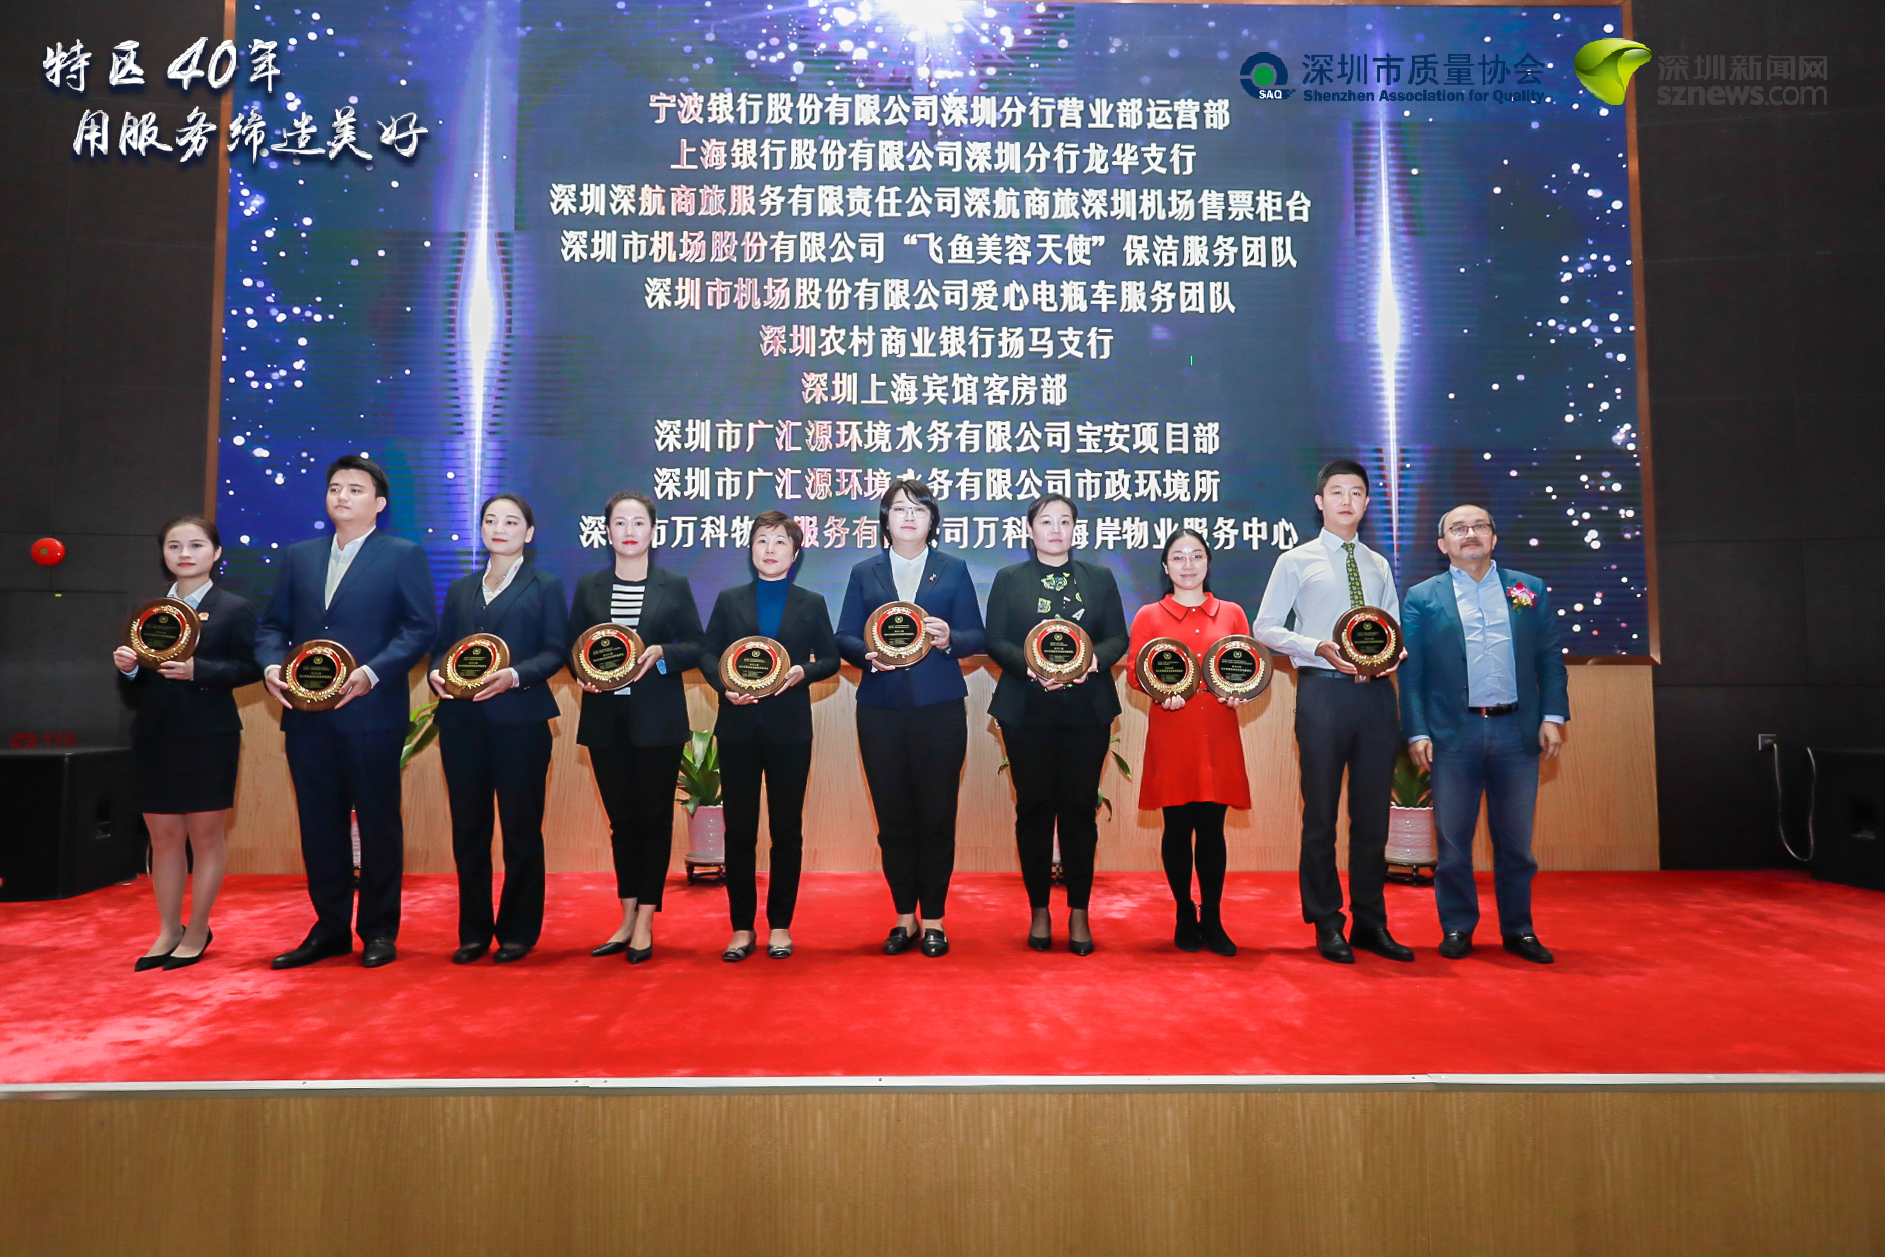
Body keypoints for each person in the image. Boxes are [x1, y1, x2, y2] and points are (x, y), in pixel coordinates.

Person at [256, 455, 437, 969]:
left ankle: (378, 930)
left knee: (378, 823)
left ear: (379, 503)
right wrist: (271, 667)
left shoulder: (402, 555)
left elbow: (420, 628)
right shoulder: (300, 556)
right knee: (319, 824)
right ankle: (330, 928)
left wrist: (371, 673)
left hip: (371, 711)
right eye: (335, 487)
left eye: (355, 489)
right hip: (306, 716)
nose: (342, 496)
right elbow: (272, 626)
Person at [1253, 459, 1412, 964]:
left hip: (1376, 697)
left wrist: (1395, 652)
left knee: (1373, 817)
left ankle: (1370, 921)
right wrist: (1315, 646)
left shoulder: (1378, 564)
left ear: (1366, 503)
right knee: (1320, 814)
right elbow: (1265, 627)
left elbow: (1390, 625)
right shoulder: (1295, 560)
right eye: (1337, 492)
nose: (1347, 500)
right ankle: (1326, 921)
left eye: (1357, 492)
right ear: (1320, 502)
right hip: (1323, 693)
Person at [1399, 504, 1569, 964]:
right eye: (1458, 528)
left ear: (1493, 537)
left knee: (1516, 844)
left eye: (1479, 526)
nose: (1469, 533)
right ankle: (1457, 926)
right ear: (1443, 544)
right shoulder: (1422, 597)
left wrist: (1553, 716)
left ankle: (1519, 929)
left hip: (1517, 732)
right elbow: (1411, 676)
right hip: (1453, 735)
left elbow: (1550, 660)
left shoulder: (1528, 589)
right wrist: (1416, 731)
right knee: (1453, 845)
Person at [835, 479, 987, 959]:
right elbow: (844, 636)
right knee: (893, 816)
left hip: (939, 708)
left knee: (937, 816)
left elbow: (977, 635)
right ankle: (904, 916)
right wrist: (867, 654)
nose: (908, 517)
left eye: (918, 509)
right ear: (885, 520)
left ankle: (935, 919)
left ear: (931, 521)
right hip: (880, 709)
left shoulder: (954, 569)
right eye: (899, 509)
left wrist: (949, 638)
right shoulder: (865, 571)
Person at [113, 516, 261, 970]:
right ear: (163, 554)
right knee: (164, 838)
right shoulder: (149, 611)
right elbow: (136, 688)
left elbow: (252, 668)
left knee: (205, 837)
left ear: (216, 553)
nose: (184, 554)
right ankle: (168, 929)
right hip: (155, 735)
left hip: (208, 735)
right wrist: (129, 669)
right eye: (174, 546)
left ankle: (197, 929)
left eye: (196, 545)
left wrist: (202, 671)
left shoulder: (234, 608)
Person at [984, 494, 1130, 955]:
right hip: (1026, 712)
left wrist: (1089, 663)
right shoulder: (1010, 579)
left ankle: (1079, 911)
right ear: (1030, 530)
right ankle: (1039, 910)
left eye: (1064, 521)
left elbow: (1117, 637)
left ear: (1074, 530)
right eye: (1046, 521)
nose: (1055, 529)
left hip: (1086, 712)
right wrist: (1032, 666)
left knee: (1079, 811)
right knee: (1033, 810)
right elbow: (995, 640)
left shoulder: (1099, 578)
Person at [426, 493, 568, 965]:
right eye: (491, 520)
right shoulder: (461, 589)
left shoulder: (545, 585)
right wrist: (436, 674)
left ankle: (518, 931)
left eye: (511, 521)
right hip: (461, 724)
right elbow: (443, 648)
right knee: (469, 830)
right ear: (482, 529)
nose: (499, 528)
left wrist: (515, 675)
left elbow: (555, 651)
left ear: (529, 533)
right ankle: (473, 932)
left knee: (521, 829)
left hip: (520, 723)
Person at [568, 491, 703, 965]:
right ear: (607, 532)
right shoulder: (589, 586)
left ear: (653, 531)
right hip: (605, 722)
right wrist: (580, 673)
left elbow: (697, 645)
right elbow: (572, 647)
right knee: (621, 823)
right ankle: (625, 917)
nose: (629, 531)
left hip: (657, 723)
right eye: (620, 523)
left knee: (653, 821)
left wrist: (663, 654)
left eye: (639, 522)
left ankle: (646, 917)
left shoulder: (674, 585)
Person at [701, 511, 839, 961]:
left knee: (786, 830)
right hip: (738, 728)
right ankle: (741, 927)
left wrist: (803, 672)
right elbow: (708, 654)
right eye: (762, 540)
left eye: (780, 541)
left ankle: (780, 925)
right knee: (740, 831)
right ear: (751, 549)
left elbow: (831, 659)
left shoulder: (811, 602)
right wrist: (724, 686)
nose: (770, 548)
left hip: (789, 730)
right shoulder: (730, 599)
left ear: (795, 553)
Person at [1125, 528, 1253, 957]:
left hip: (1218, 729)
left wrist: (1240, 692)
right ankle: (1184, 911)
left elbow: (1246, 667)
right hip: (1172, 729)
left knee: (1213, 829)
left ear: (1208, 563)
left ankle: (1212, 917)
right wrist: (1161, 691)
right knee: (1177, 827)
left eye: (1196, 555)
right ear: (1165, 567)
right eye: (1178, 557)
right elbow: (1135, 673)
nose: (1188, 564)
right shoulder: (1149, 615)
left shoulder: (1231, 613)